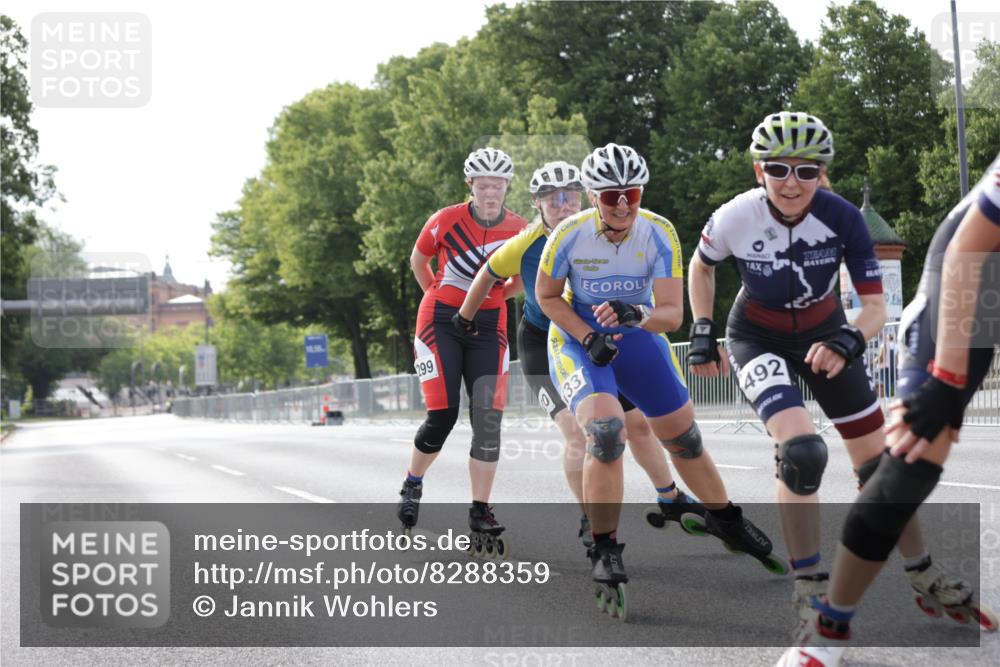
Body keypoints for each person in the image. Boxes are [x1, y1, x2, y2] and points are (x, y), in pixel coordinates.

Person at [688, 111, 949, 614]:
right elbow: (701, 266)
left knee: (881, 466)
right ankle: (809, 583)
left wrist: (849, 342)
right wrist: (702, 327)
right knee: (803, 453)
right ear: (757, 171)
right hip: (756, 336)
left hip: (827, 333)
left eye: (807, 171)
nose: (791, 183)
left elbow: (874, 309)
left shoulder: (844, 218)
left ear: (822, 175)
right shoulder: (735, 216)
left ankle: (922, 568)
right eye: (778, 169)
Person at [537, 143, 784, 614]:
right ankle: (605, 545)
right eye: (611, 195)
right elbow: (549, 298)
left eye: (631, 192)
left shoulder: (659, 232)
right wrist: (588, 335)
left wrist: (638, 312)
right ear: (593, 197)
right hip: (577, 342)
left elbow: (672, 315)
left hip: (636, 334)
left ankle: (725, 519)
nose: (624, 203)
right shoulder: (567, 235)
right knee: (607, 433)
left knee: (685, 440)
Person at [777, 154, 1000, 667]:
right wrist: (945, 379)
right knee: (909, 464)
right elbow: (967, 248)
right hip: (968, 302)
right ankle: (829, 627)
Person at [457, 160, 707, 549]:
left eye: (570, 197)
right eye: (552, 200)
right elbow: (489, 274)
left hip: (600, 339)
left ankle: (670, 496)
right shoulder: (526, 242)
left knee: (637, 425)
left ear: (585, 197)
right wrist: (465, 318)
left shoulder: (598, 231)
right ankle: (591, 518)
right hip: (547, 342)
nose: (563, 206)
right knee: (581, 433)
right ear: (537, 206)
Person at [396, 147, 527, 556]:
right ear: (470, 185)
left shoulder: (521, 229)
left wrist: (499, 295)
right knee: (443, 414)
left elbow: (529, 275)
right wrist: (438, 296)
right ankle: (413, 483)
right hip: (441, 322)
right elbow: (419, 261)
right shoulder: (445, 220)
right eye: (483, 185)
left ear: (507, 187)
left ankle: (480, 509)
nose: (491, 192)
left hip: (491, 326)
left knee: (488, 421)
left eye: (498, 185)